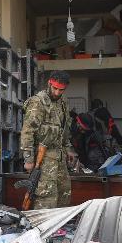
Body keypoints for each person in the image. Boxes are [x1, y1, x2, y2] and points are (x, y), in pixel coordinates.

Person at [20, 71, 77, 209]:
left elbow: (64, 129)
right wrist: (28, 159)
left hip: (60, 157)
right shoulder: (38, 102)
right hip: (43, 158)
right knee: (46, 196)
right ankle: (43, 222)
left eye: (61, 90)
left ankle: (59, 222)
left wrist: (68, 149)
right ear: (49, 83)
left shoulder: (63, 103)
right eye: (55, 88)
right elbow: (28, 131)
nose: (57, 93)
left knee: (64, 193)